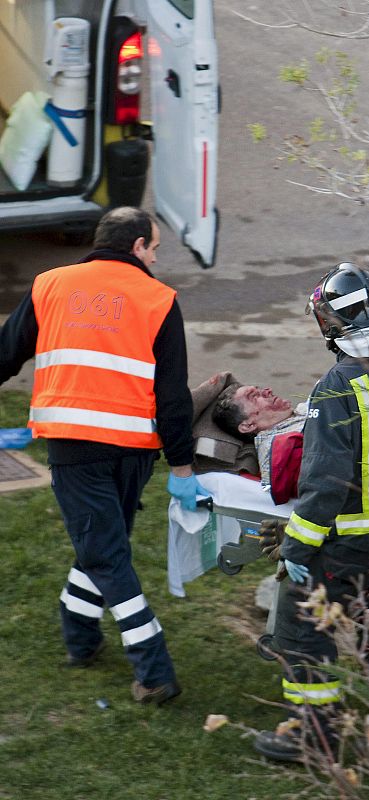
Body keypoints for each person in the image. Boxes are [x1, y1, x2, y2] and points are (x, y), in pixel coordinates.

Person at [0, 206, 208, 705]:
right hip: (133, 452)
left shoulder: (50, 285)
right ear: (136, 246)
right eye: (155, 248)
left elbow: (5, 354)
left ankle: (154, 671)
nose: (155, 258)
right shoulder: (159, 300)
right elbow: (172, 396)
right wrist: (182, 467)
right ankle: (80, 635)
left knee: (106, 554)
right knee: (105, 546)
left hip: (75, 447)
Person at [252, 263, 369, 762]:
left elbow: (324, 483)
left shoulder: (339, 382)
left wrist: (296, 548)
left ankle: (313, 736)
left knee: (302, 621)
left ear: (331, 322)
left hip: (354, 541)